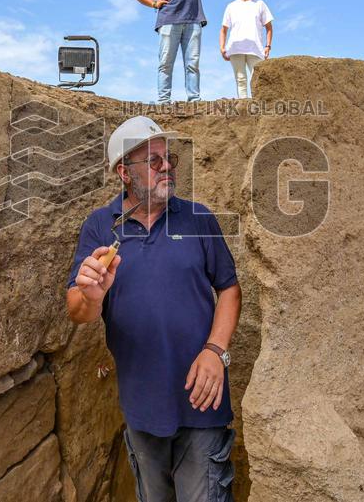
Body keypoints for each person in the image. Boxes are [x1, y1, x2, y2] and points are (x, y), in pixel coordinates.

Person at [66, 116, 242, 502]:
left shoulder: (198, 218)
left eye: (168, 158)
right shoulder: (100, 227)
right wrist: (91, 295)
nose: (167, 167)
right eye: (153, 161)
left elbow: (229, 288)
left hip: (202, 403)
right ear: (124, 173)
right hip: (142, 408)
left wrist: (216, 351)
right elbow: (78, 311)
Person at [220, 0, 274, 99]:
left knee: (258, 79)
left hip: (256, 49)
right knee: (241, 80)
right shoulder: (231, 6)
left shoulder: (260, 4)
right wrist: (222, 47)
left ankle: (259, 106)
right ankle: (244, 108)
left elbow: (269, 27)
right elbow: (223, 29)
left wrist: (268, 46)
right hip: (235, 49)